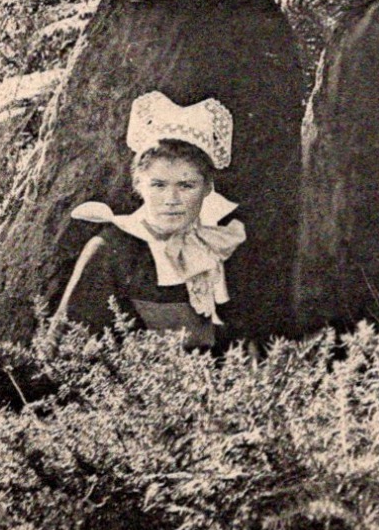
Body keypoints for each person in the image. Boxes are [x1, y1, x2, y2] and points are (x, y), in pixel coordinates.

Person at [55, 91, 246, 351]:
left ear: (207, 188)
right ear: (139, 185)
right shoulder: (111, 249)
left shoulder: (220, 243)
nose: (172, 199)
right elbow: (67, 347)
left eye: (186, 185)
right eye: (158, 185)